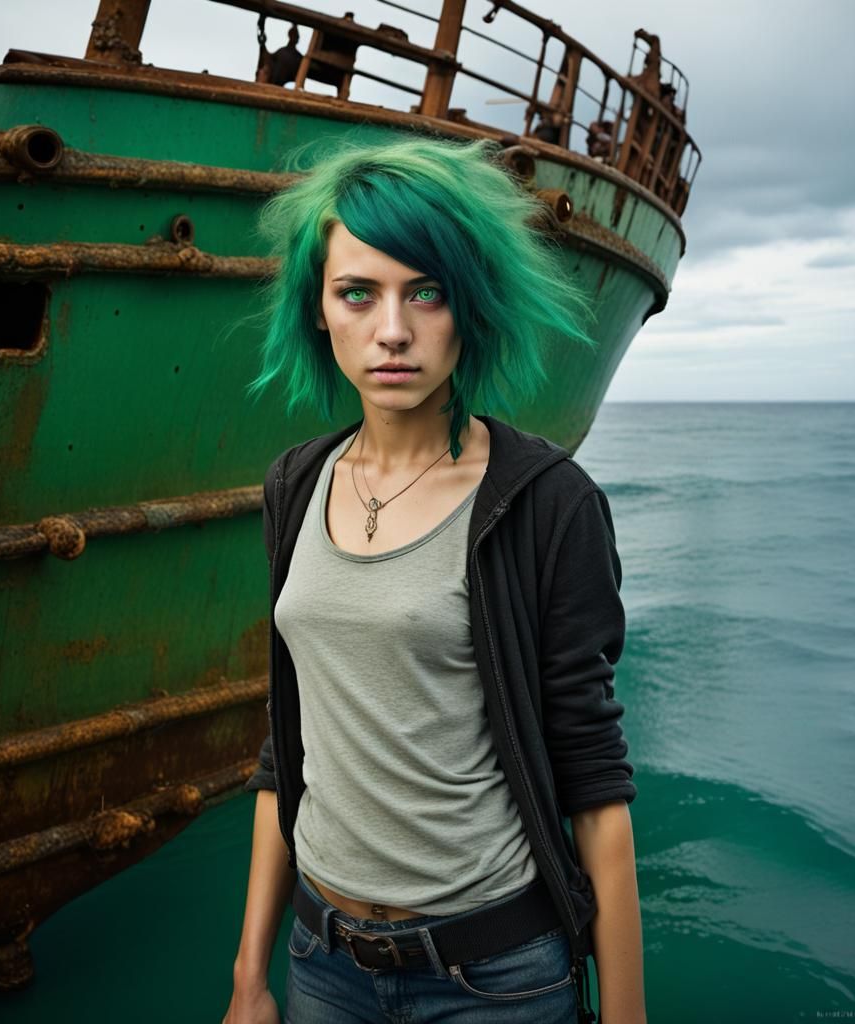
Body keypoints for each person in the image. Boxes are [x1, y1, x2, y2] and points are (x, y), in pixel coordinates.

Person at [222, 134, 646, 1024]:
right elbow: (288, 746)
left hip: (494, 975)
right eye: (358, 293)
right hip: (322, 962)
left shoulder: (548, 505)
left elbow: (594, 781)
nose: (393, 331)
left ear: (471, 306)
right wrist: (248, 976)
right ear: (319, 309)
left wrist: (626, 1015)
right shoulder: (294, 484)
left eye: (428, 292)